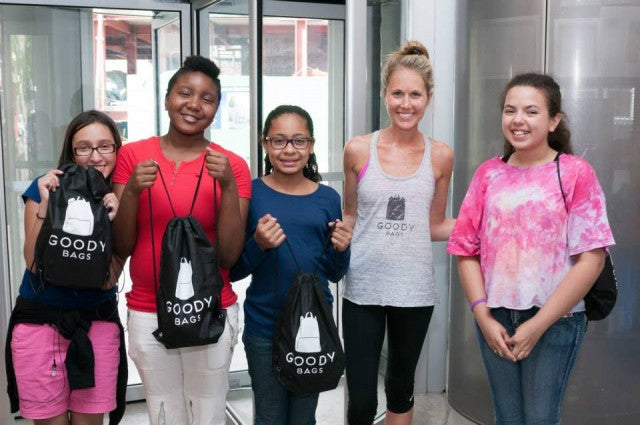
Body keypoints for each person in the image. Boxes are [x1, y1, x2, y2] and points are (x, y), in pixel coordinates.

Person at [446, 73, 615, 424]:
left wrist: (538, 325)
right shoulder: (488, 174)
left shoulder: (575, 173)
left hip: (555, 321)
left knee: (540, 418)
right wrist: (482, 316)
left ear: (553, 120)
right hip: (495, 318)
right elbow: (465, 250)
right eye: (510, 110)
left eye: (531, 111)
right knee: (506, 418)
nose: (518, 120)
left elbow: (592, 259)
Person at [112, 56, 251, 425]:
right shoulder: (133, 156)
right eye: (185, 93)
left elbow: (229, 255)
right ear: (167, 99)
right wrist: (131, 192)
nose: (194, 105)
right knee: (164, 411)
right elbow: (122, 246)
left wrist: (228, 186)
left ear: (216, 109)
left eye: (207, 98)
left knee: (207, 412)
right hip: (148, 308)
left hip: (209, 307)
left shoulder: (232, 165)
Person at [341, 40, 455, 425]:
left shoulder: (441, 155)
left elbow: (434, 225)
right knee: (360, 397)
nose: (406, 104)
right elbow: (351, 217)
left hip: (414, 290)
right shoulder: (358, 149)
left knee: (401, 386)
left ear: (429, 98)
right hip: (363, 288)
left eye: (415, 95)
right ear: (384, 94)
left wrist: (488, 222)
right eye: (398, 94)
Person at [231, 105, 352, 425]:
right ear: (265, 144)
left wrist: (342, 249)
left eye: (299, 140)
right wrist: (258, 244)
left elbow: (334, 272)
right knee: (269, 416)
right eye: (279, 140)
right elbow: (233, 270)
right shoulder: (251, 194)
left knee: (303, 418)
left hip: (313, 325)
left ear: (311, 145)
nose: (289, 149)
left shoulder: (327, 198)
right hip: (264, 328)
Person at [5, 110, 127, 425]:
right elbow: (33, 262)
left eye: (105, 146)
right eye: (84, 147)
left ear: (117, 148)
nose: (95, 156)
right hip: (40, 322)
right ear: (71, 152)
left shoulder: (118, 197)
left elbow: (109, 278)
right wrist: (46, 204)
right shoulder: (46, 186)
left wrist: (113, 223)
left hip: (96, 323)